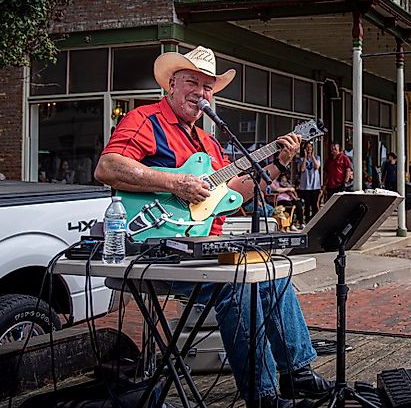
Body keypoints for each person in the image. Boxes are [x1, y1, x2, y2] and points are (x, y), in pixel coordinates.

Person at [94, 46, 332, 408]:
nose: (201, 93)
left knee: (271, 272)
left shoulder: (208, 142)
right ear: (171, 85)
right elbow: (108, 168)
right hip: (155, 247)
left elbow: (234, 193)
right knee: (238, 288)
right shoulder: (145, 119)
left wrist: (279, 164)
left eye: (207, 87)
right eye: (192, 82)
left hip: (201, 248)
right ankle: (264, 396)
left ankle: (295, 373)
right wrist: (175, 184)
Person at [297, 141, 321, 224]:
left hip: (315, 186)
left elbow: (317, 166)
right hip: (305, 186)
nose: (309, 149)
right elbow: (302, 169)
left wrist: (312, 156)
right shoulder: (300, 159)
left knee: (314, 205)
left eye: (310, 147)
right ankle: (307, 221)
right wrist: (305, 158)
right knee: (307, 205)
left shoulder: (317, 158)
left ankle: (315, 221)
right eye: (307, 147)